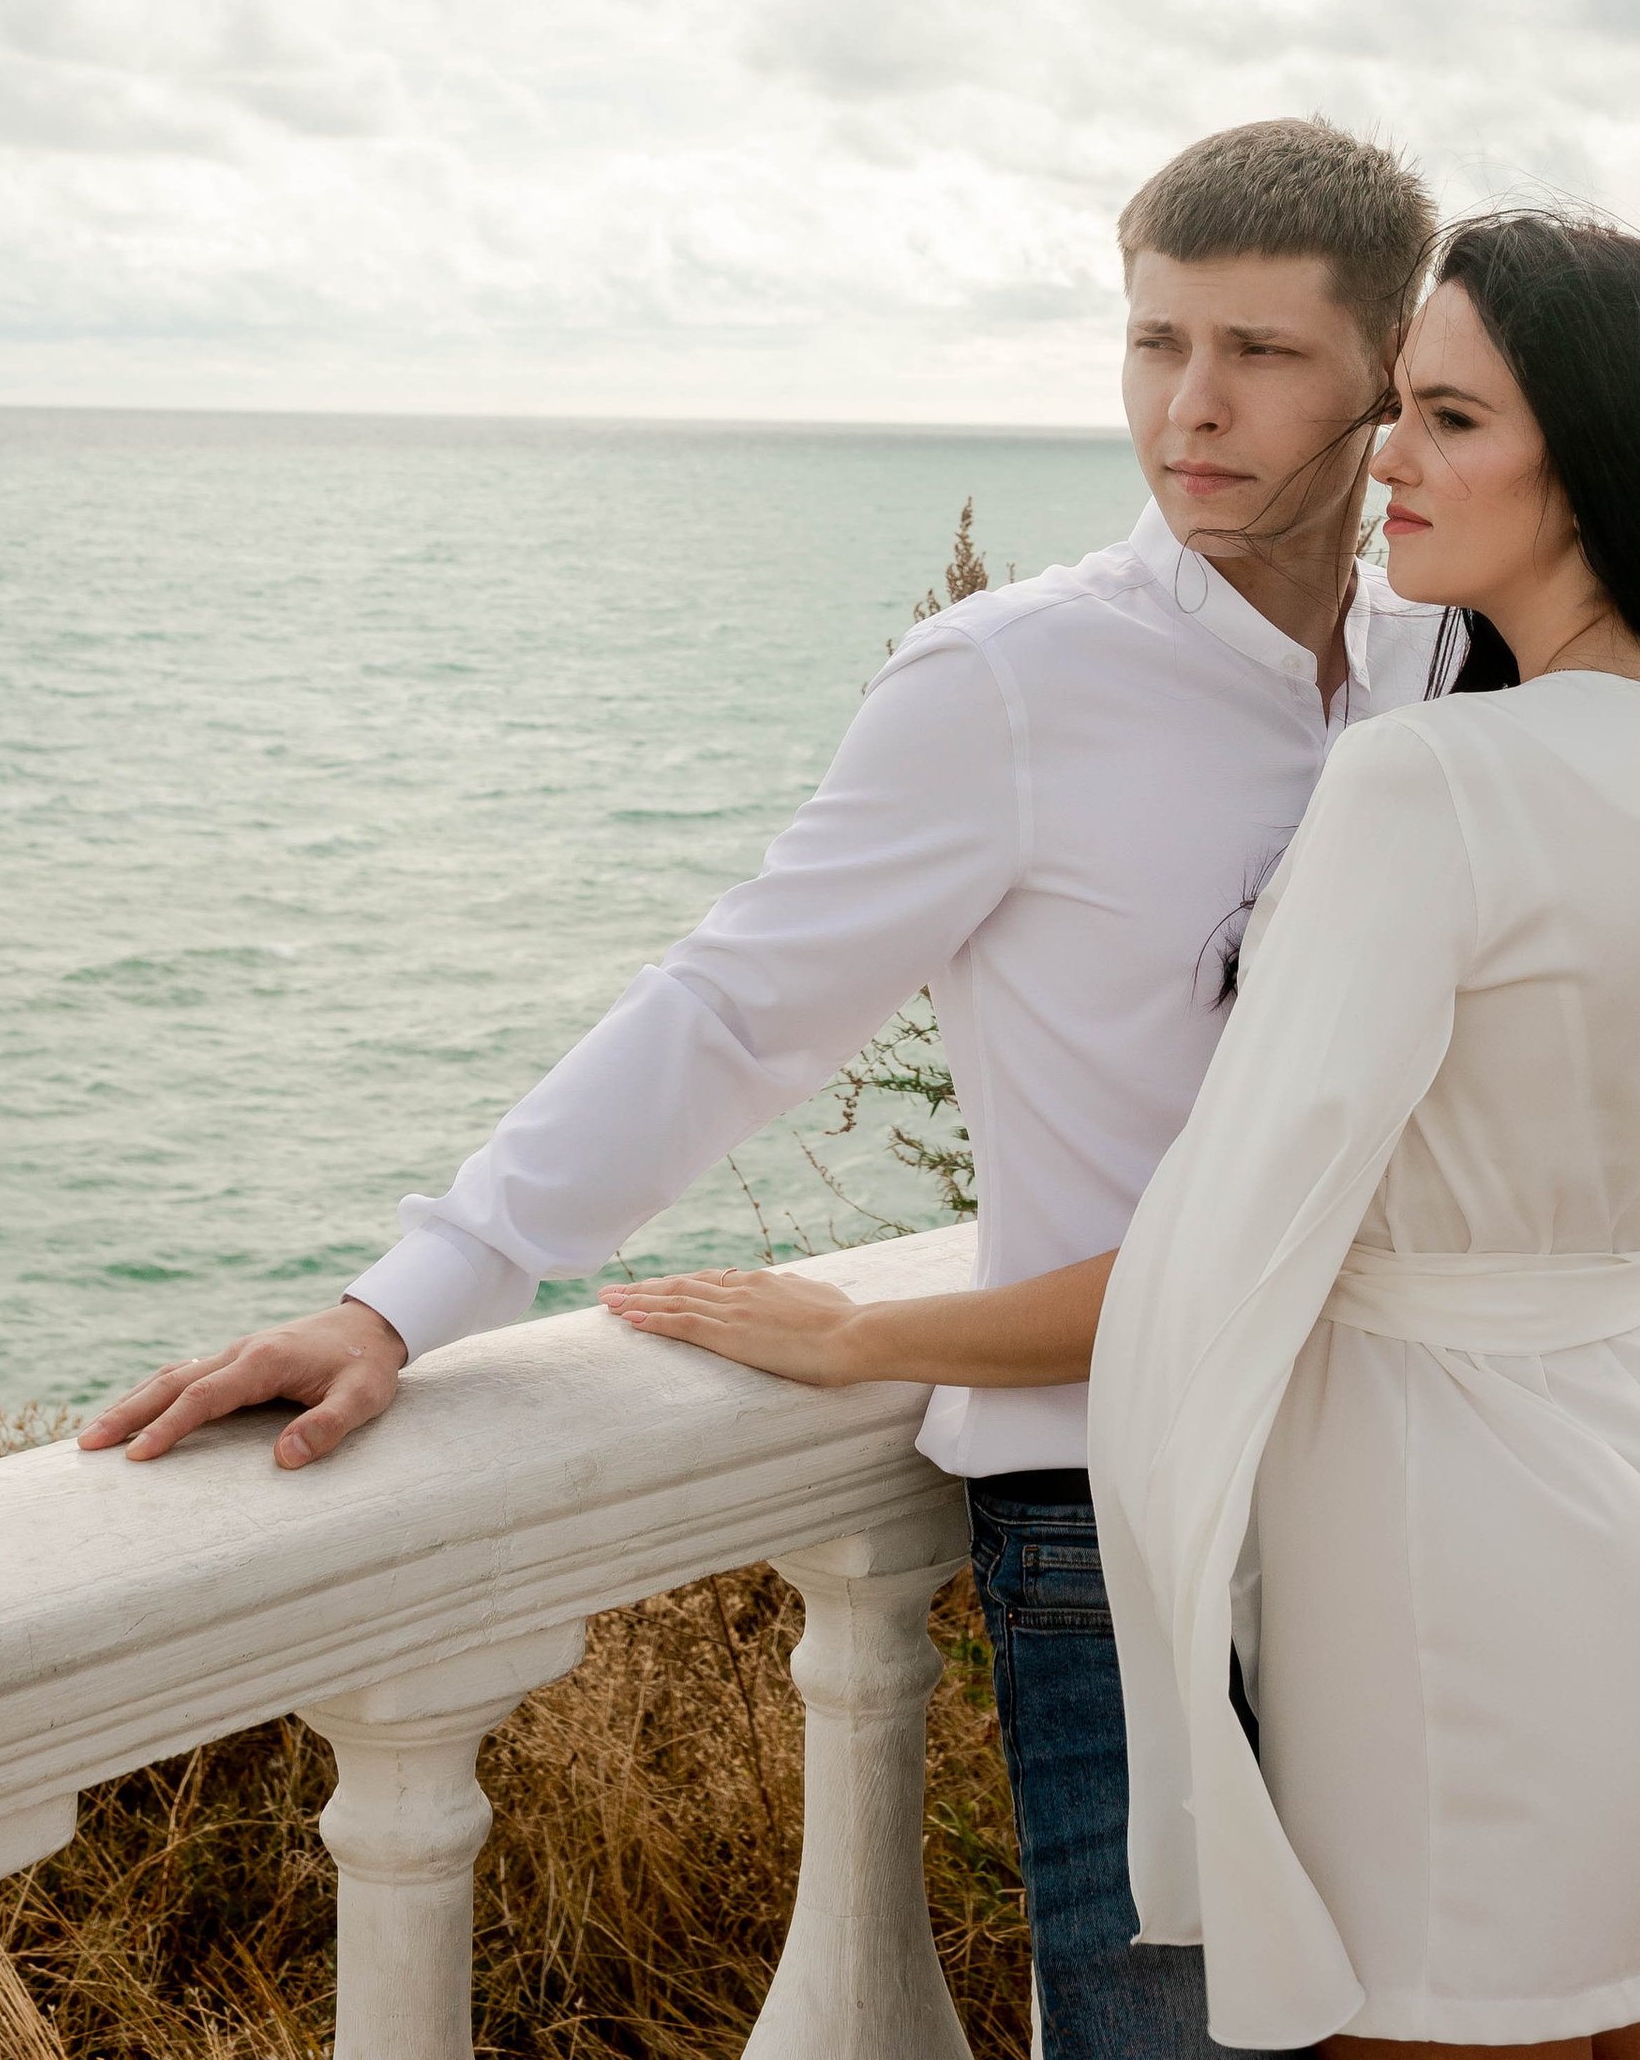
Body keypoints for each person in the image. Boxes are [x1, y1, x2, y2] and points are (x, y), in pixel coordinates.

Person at [82, 116, 1473, 2060]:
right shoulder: (1006, 681)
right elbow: (733, 1008)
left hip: (1402, 1461)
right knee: (1181, 2041)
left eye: (1259, 351)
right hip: (1113, 1488)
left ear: (1387, 374)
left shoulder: (1443, 665)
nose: (1191, 405)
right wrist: (410, 1293)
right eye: (1155, 342)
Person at [636, 210, 1640, 2060]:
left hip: (1455, 1582)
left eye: (1448, 418)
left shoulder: (1427, 779)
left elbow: (1229, 1247)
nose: (1388, 458)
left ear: (1584, 463)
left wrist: (870, 1337)